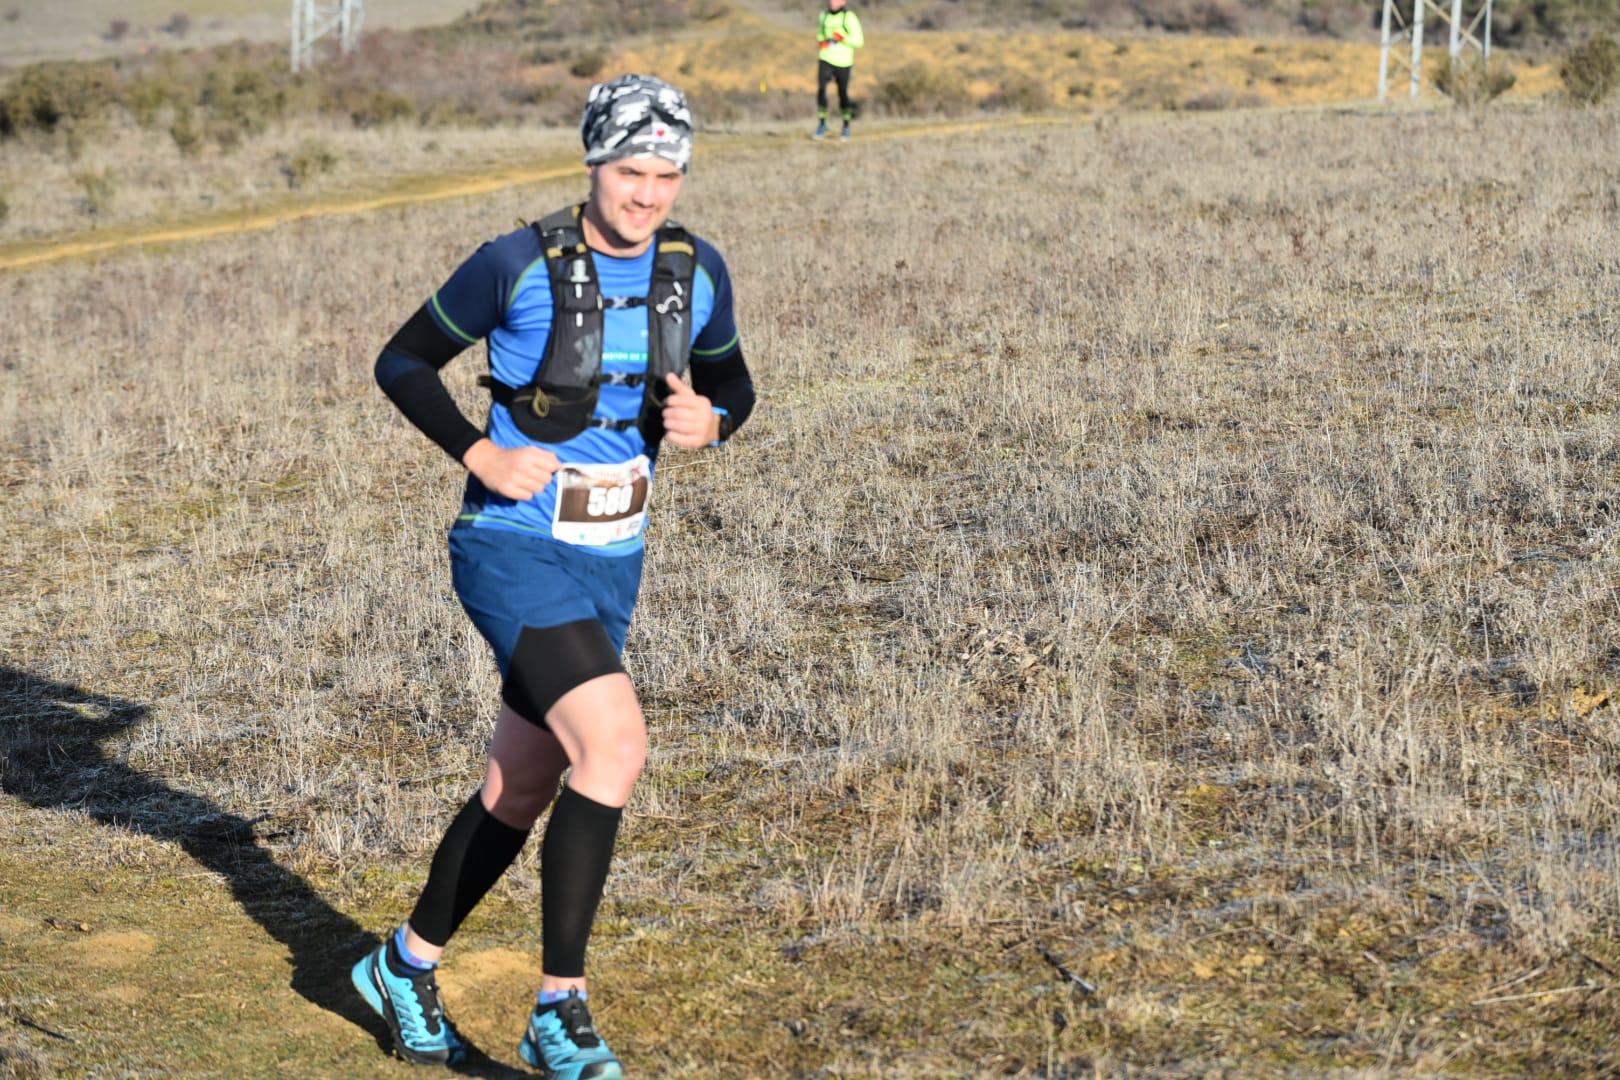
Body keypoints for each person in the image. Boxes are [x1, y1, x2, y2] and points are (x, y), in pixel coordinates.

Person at [352, 73, 755, 1077]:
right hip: (510, 548)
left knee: (524, 780)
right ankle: (559, 1009)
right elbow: (401, 362)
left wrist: (721, 420)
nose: (650, 193)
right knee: (613, 746)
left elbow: (734, 381)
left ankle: (402, 965)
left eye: (668, 174)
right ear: (592, 163)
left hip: (613, 561)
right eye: (632, 170)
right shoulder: (512, 263)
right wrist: (475, 452)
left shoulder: (694, 271)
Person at [814, 0, 864, 141]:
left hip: (844, 61)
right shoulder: (823, 16)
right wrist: (823, 41)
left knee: (842, 93)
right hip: (826, 57)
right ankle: (822, 124)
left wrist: (842, 38)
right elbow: (820, 35)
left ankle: (846, 126)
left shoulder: (849, 17)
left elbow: (859, 41)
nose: (832, 2)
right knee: (821, 89)